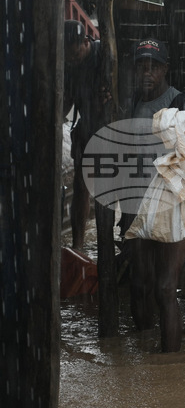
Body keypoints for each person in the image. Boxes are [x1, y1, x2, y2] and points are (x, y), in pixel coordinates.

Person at [125, 38, 185, 352]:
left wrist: (181, 186)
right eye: (141, 66)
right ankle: (145, 355)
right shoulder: (129, 103)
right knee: (139, 284)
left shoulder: (184, 107)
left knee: (164, 288)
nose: (147, 73)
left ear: (165, 70)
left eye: (154, 66)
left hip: (175, 204)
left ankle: (170, 368)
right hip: (138, 204)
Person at [63, 20, 110, 250]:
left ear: (85, 42)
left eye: (75, 55)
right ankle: (78, 246)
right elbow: (66, 101)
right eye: (68, 57)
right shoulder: (68, 64)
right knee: (80, 185)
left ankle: (108, 244)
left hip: (112, 124)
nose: (72, 60)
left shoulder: (104, 53)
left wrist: (111, 91)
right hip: (87, 126)